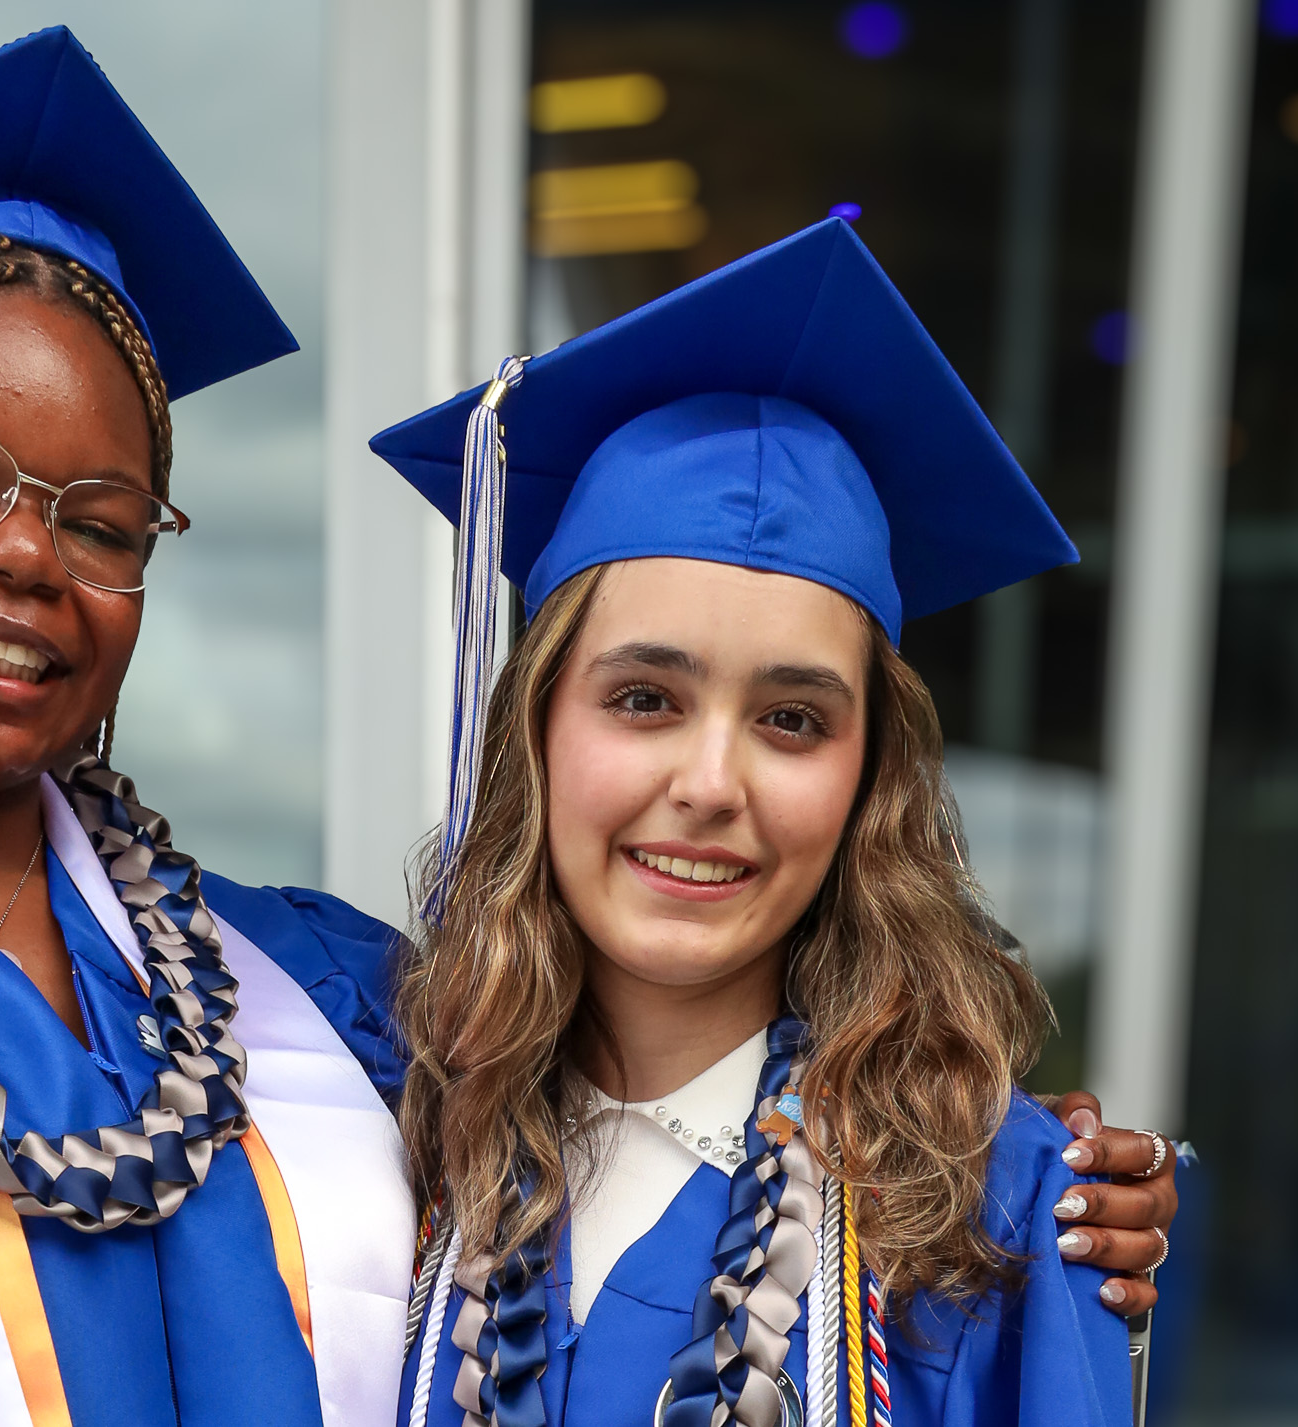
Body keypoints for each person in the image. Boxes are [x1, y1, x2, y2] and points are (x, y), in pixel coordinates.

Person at [0, 31, 1167, 1427]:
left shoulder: (316, 997)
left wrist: (1012, 1166)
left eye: (100, 516)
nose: (20, 557)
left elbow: (659, 1074)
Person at [373, 217, 1155, 1426]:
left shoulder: (983, 1221)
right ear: (533, 728)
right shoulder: (387, 1112)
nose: (709, 780)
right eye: (642, 698)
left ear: (868, 777)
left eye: (792, 718)